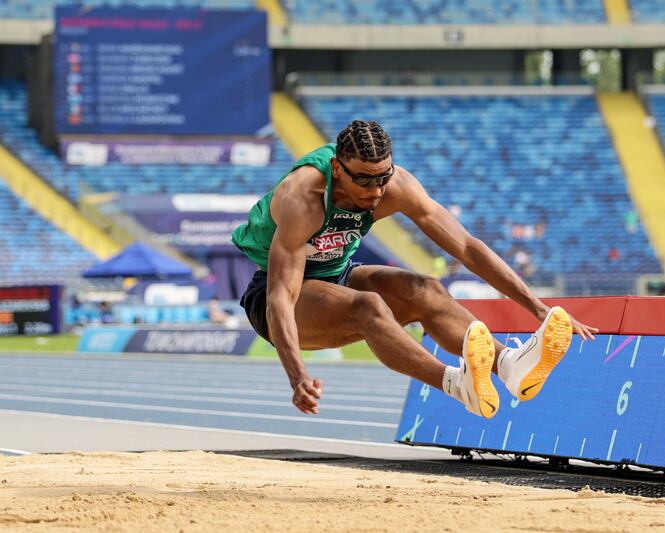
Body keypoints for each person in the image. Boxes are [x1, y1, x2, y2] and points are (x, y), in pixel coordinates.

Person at [232, 120, 598, 418]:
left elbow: (468, 247)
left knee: (425, 288)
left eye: (382, 177)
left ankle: (509, 365)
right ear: (337, 170)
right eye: (363, 180)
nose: (375, 191)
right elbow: (283, 295)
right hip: (276, 298)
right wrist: (298, 377)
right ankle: (457, 385)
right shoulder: (303, 199)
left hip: (337, 274)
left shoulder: (396, 186)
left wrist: (537, 307)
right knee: (369, 305)